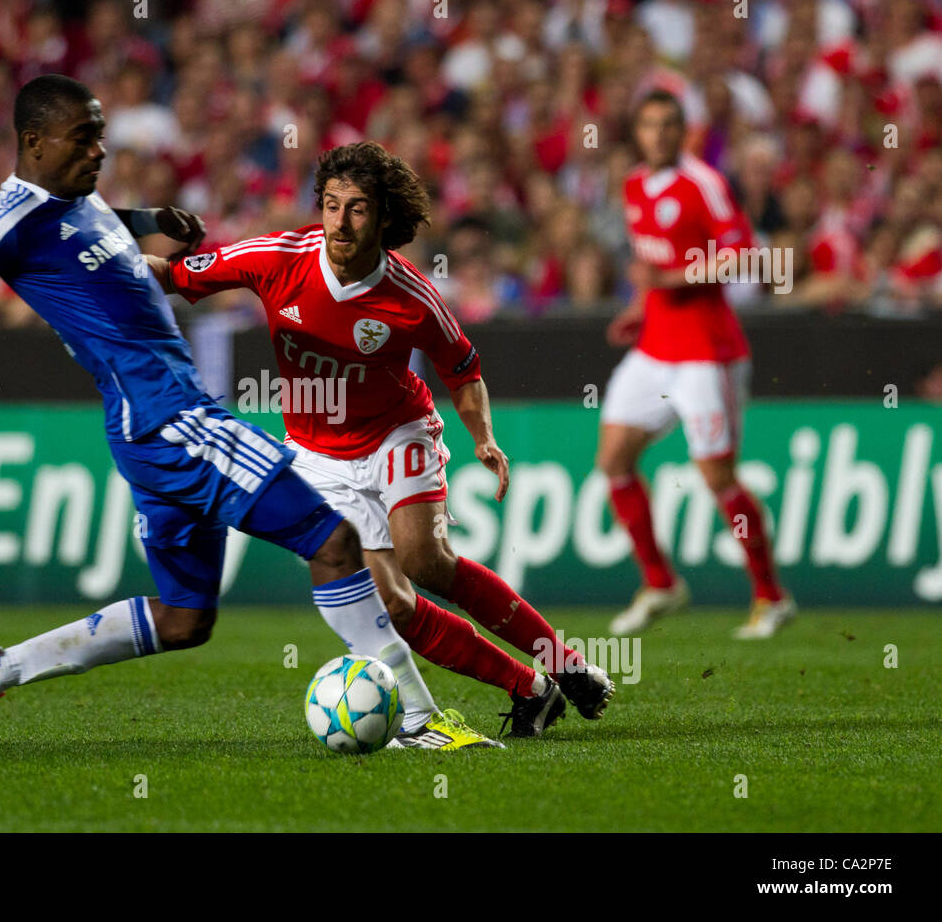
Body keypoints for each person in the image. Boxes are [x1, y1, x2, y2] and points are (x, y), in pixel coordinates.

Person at [0, 75, 499, 750]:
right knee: (332, 541)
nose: (100, 151)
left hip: (143, 433)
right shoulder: (4, 225)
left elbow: (95, 229)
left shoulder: (75, 194)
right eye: (84, 138)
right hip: (172, 416)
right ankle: (415, 722)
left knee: (184, 621)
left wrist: (148, 218)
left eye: (102, 134)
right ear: (33, 142)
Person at [150, 142, 614, 737]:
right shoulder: (276, 257)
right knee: (393, 603)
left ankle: (567, 664)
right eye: (332, 205)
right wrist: (108, 264)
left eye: (358, 209)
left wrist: (485, 438)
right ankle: (530, 689)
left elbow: (463, 368)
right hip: (316, 455)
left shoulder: (412, 295)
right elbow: (173, 274)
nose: (340, 222)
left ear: (383, 218)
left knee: (428, 562)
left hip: (397, 433)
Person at [599, 90, 795, 639]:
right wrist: (640, 308)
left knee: (718, 478)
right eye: (648, 125)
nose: (658, 135)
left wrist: (672, 280)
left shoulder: (704, 184)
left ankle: (769, 596)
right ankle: (660, 583)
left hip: (707, 353)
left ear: (684, 132)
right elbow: (651, 261)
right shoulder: (634, 184)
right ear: (636, 132)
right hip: (654, 349)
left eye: (669, 125)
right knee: (614, 460)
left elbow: (742, 254)